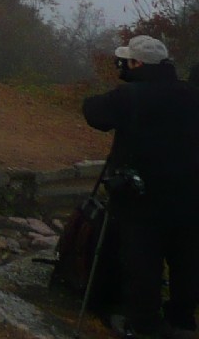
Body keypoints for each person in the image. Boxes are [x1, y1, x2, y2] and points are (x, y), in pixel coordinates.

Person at [83, 34, 199, 338]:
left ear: (137, 63)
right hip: (189, 197)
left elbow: (93, 112)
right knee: (185, 262)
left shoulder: (129, 97)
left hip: (141, 197)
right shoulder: (191, 94)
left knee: (142, 262)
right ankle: (182, 321)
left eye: (126, 61)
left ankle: (144, 325)